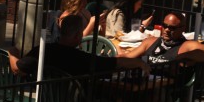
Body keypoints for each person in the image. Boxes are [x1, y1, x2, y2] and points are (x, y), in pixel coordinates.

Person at [10, 14, 149, 78]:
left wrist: (11, 53)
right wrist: (139, 63)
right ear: (78, 36)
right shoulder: (82, 58)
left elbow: (17, 69)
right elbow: (117, 62)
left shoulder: (42, 51)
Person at [125, 11, 204, 66]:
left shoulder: (186, 46)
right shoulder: (150, 41)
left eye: (172, 28)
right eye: (164, 26)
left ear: (183, 29)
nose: (166, 30)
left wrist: (183, 56)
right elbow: (127, 58)